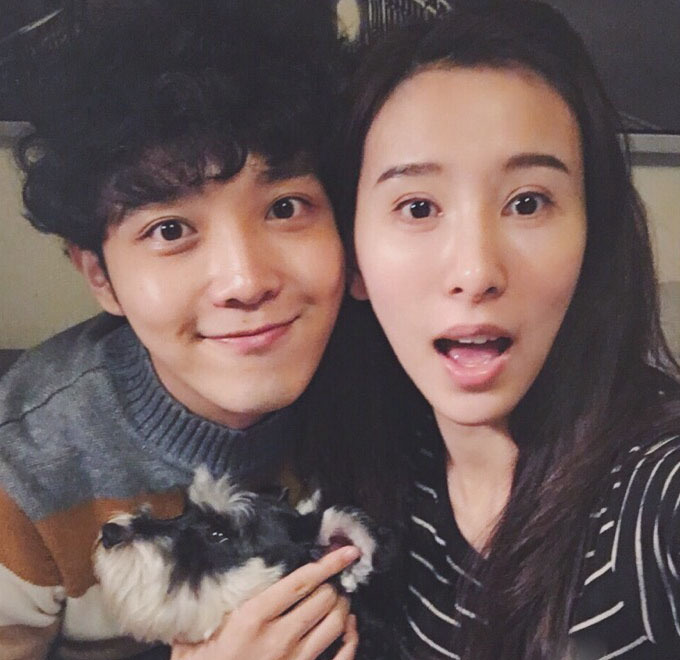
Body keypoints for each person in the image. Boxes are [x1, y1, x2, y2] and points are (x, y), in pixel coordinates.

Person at [0, 1, 364, 658]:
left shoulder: (395, 385)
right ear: (100, 276)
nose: (245, 281)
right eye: (170, 230)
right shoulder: (26, 474)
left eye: (286, 207)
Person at [335, 1, 680, 658]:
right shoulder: (373, 487)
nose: (476, 272)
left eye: (528, 202)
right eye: (418, 207)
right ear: (353, 258)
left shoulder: (657, 497)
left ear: (594, 233)